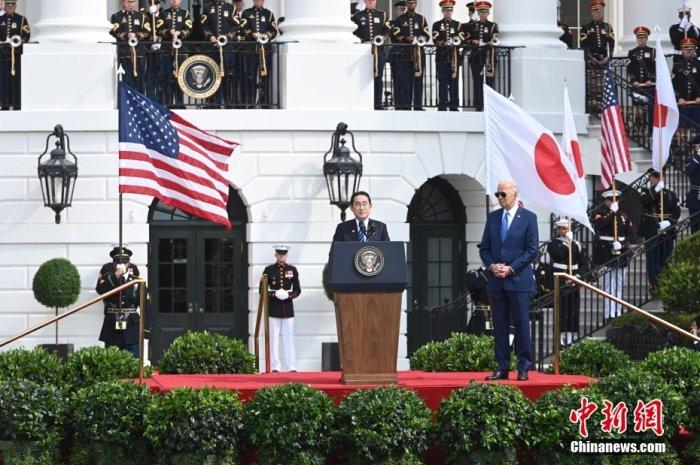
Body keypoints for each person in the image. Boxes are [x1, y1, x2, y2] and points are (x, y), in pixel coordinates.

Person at [479, 180, 538, 382]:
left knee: (522, 325)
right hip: (497, 281)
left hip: (518, 280)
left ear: (515, 193)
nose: (500, 198)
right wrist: (491, 265)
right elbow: (484, 247)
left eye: (503, 194)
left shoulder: (529, 218)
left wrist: (511, 268)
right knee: (500, 326)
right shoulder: (494, 218)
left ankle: (523, 367)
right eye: (497, 194)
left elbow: (532, 250)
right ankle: (502, 367)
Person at [591, 189, 633, 321]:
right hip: (606, 252)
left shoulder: (623, 216)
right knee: (609, 285)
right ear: (606, 201)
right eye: (611, 200)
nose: (614, 202)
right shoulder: (600, 214)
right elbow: (600, 225)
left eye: (616, 200)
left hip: (620, 251)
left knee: (619, 283)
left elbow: (631, 233)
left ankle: (618, 312)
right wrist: (611, 213)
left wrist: (623, 243)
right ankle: (609, 313)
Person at [547, 219, 590, 346]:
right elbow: (558, 255)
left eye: (567, 229)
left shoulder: (577, 244)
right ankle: (560, 335)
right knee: (561, 307)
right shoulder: (554, 243)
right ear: (558, 230)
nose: (565, 231)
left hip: (573, 278)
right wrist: (568, 244)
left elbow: (584, 264)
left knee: (572, 308)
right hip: (559, 279)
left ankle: (571, 335)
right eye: (562, 229)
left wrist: (578, 276)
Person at [95, 247, 142, 357]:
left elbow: (142, 296)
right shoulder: (107, 270)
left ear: (129, 262)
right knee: (112, 362)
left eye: (125, 261)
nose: (122, 264)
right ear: (113, 262)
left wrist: (146, 328)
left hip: (131, 323)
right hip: (112, 322)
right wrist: (116, 275)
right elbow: (100, 290)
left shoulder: (134, 270)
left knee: (134, 361)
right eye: (118, 261)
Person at [638, 170, 681, 291]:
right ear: (650, 178)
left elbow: (676, 212)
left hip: (667, 230)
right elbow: (644, 202)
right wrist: (656, 191)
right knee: (653, 261)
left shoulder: (671, 193)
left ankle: (665, 285)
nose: (656, 179)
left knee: (665, 259)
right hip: (652, 230)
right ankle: (655, 286)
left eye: (659, 176)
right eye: (654, 176)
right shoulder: (646, 191)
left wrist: (669, 222)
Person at [262, 245, 301, 372]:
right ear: (276, 255)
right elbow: (261, 290)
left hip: (288, 309)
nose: (282, 256)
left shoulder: (292, 270)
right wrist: (274, 294)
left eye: (284, 254)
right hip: (273, 309)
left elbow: (297, 289)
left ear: (287, 255)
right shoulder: (268, 270)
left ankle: (291, 366)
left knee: (289, 339)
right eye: (279, 254)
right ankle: (275, 367)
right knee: (273, 340)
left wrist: (288, 295)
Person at [201, 0, 244, 108]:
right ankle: (213, 103)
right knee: (212, 75)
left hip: (227, 48)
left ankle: (228, 103)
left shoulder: (231, 8)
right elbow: (204, 25)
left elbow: (236, 25)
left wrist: (227, 37)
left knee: (227, 76)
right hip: (212, 48)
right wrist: (210, 35)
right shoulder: (207, 8)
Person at [351, 0, 391, 110]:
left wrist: (383, 37)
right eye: (369, 0)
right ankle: (363, 103)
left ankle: (377, 104)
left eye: (373, 0)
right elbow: (353, 32)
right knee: (362, 77)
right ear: (365, 1)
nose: (371, 1)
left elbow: (388, 29)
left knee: (378, 77)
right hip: (363, 52)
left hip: (379, 51)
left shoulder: (382, 15)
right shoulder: (357, 16)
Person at [390, 0, 429, 111]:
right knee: (405, 81)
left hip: (419, 55)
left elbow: (426, 34)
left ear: (415, 4)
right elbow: (395, 35)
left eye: (413, 3)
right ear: (406, 4)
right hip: (404, 55)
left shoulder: (421, 19)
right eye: (409, 3)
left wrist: (420, 39)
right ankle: (405, 106)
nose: (411, 5)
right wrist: (405, 38)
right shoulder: (399, 19)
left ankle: (418, 106)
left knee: (418, 80)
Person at [462, 1, 498, 112]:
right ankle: (478, 105)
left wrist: (484, 42)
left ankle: (489, 106)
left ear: (488, 13)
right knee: (477, 82)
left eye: (485, 12)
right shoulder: (472, 26)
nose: (483, 14)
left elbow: (495, 38)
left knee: (490, 82)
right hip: (476, 57)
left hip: (489, 57)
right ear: (478, 13)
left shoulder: (493, 25)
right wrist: (473, 41)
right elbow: (466, 39)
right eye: (480, 12)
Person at [241, 0, 278, 108]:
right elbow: (243, 27)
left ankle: (264, 103)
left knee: (265, 77)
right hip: (251, 50)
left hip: (265, 51)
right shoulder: (246, 13)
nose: (259, 1)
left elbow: (274, 30)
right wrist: (253, 34)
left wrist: (265, 35)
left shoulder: (269, 14)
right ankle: (251, 103)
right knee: (250, 76)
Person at [580, 0, 614, 113]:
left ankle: (604, 108)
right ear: (592, 13)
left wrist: (608, 57)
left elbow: (611, 43)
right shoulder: (586, 27)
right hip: (591, 61)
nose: (598, 14)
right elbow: (584, 45)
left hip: (604, 60)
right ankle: (593, 109)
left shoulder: (607, 27)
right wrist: (591, 57)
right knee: (592, 86)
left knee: (604, 86)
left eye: (600, 11)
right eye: (596, 12)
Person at [111, 0, 151, 93]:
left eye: (132, 2)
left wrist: (136, 35)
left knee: (140, 80)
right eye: (128, 1)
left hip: (139, 53)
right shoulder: (116, 17)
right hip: (125, 54)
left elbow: (148, 32)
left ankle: (140, 102)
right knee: (126, 80)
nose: (131, 4)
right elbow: (114, 32)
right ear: (123, 2)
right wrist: (126, 35)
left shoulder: (142, 16)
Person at [158, 0, 192, 108]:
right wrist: (169, 32)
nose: (175, 1)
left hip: (181, 49)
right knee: (166, 76)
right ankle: (167, 102)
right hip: (166, 49)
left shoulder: (185, 13)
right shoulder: (163, 13)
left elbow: (189, 28)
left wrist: (180, 33)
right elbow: (159, 28)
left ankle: (179, 102)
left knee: (180, 77)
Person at [432, 0, 463, 111]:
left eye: (450, 10)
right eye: (446, 10)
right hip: (442, 57)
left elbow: (462, 38)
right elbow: (435, 39)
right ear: (442, 11)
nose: (448, 12)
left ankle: (454, 105)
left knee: (454, 82)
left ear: (452, 11)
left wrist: (456, 41)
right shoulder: (437, 25)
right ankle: (442, 104)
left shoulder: (458, 25)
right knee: (443, 82)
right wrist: (443, 43)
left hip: (454, 58)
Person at [0, 0, 29, 111]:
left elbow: (26, 36)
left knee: (16, 80)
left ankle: (16, 104)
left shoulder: (21, 19)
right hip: (3, 55)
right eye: (8, 5)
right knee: (4, 80)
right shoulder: (1, 19)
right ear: (5, 6)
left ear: (15, 6)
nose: (10, 7)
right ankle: (5, 104)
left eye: (12, 5)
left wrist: (18, 43)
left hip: (16, 56)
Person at [627, 26, 655, 132]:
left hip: (649, 86)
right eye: (639, 38)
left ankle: (651, 130)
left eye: (643, 38)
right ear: (637, 39)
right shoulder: (632, 52)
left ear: (646, 39)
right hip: (637, 86)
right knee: (638, 110)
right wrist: (634, 81)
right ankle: (640, 130)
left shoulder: (652, 51)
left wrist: (651, 80)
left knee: (650, 109)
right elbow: (630, 69)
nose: (641, 40)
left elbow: (655, 68)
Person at [672, 38, 700, 126]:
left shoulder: (699, 64)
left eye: (691, 48)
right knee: (684, 129)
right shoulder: (677, 66)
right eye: (686, 48)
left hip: (697, 104)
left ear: (694, 50)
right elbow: (674, 84)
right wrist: (679, 98)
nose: (688, 50)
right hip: (682, 103)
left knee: (697, 129)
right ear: (682, 50)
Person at [685, 136, 700, 233]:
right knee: (695, 227)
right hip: (695, 197)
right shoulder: (691, 160)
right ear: (696, 148)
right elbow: (689, 171)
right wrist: (698, 157)